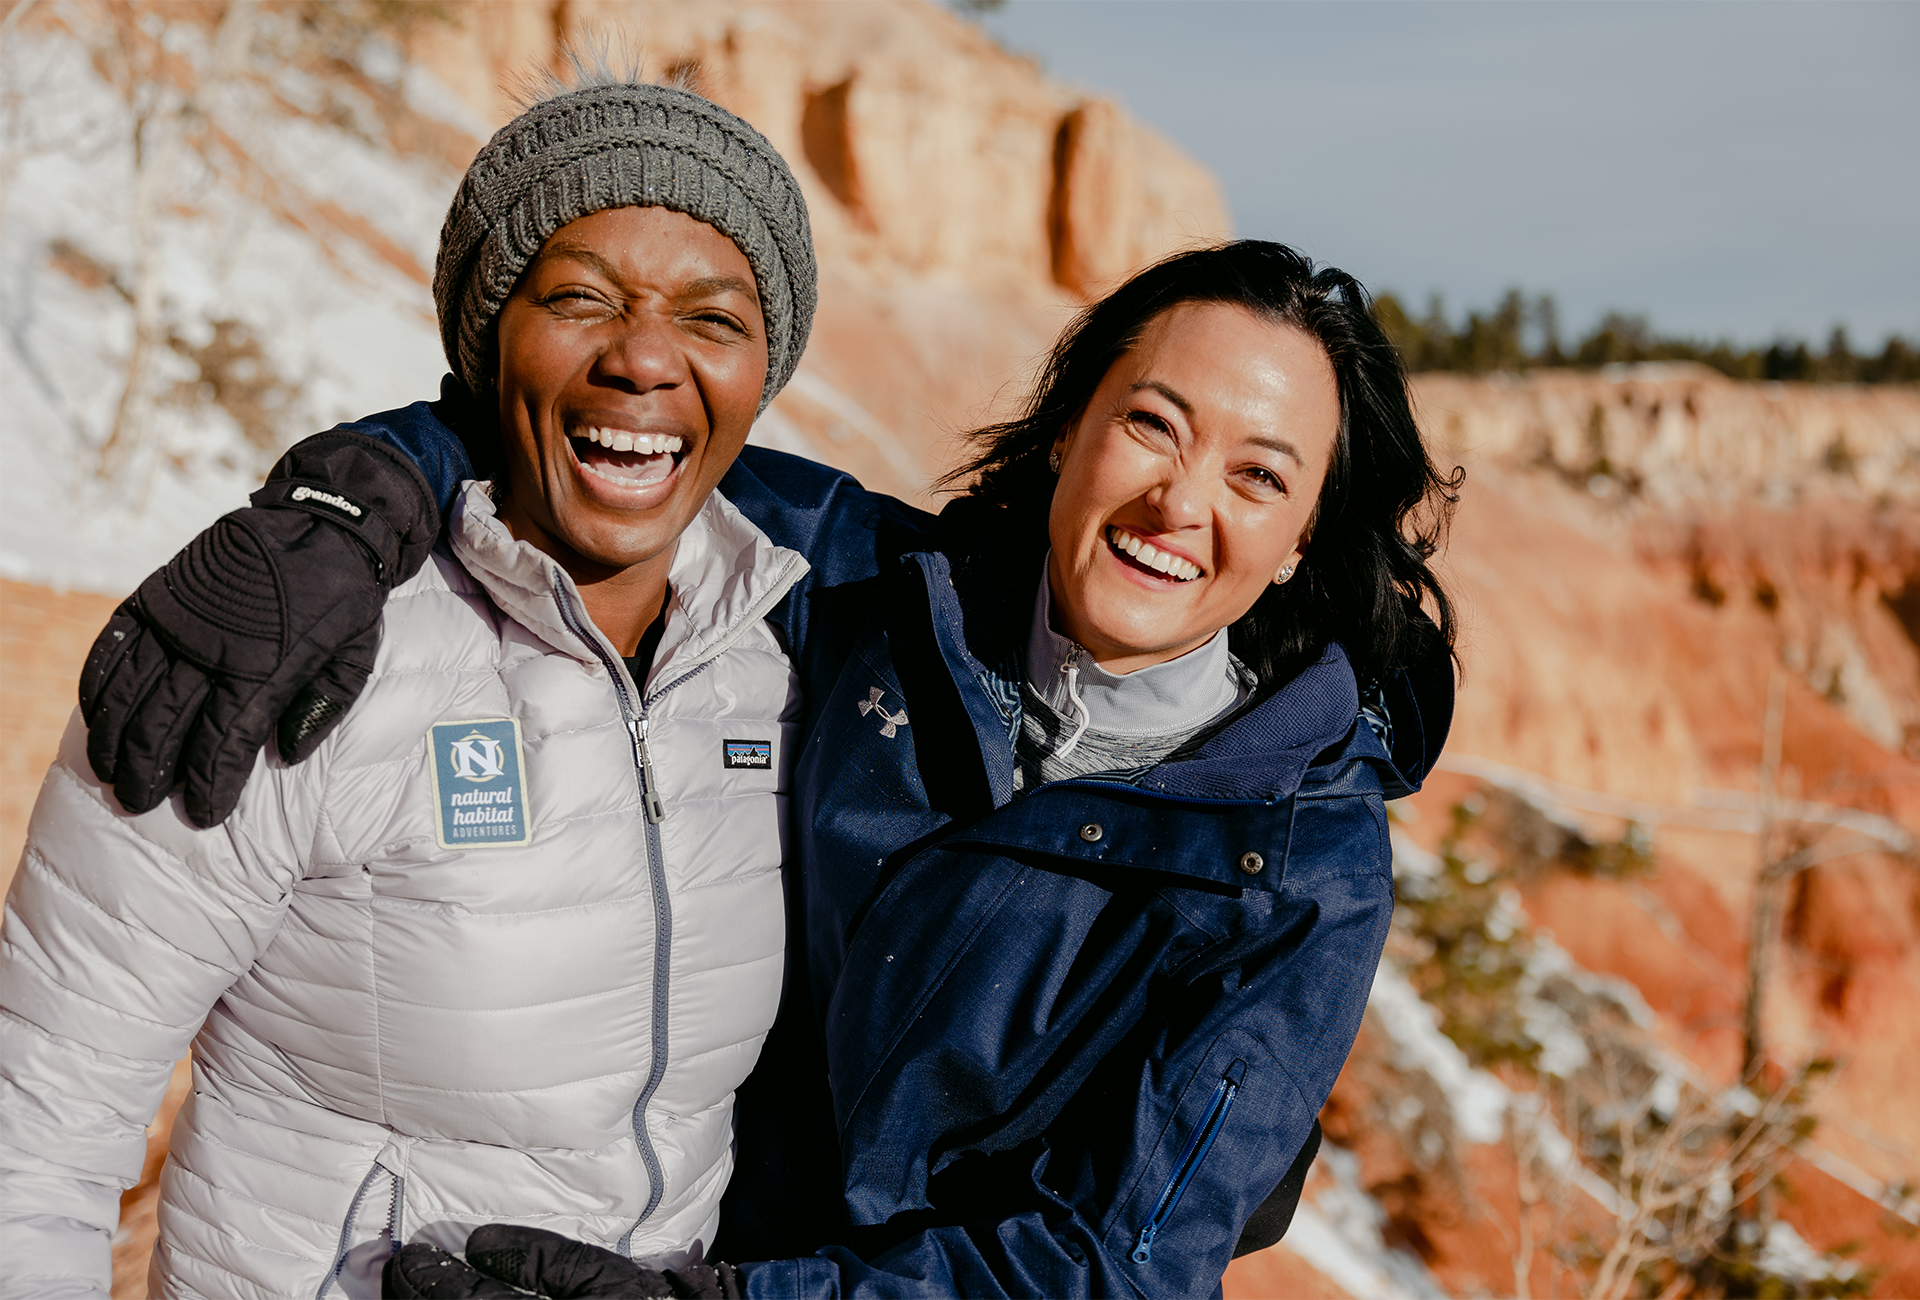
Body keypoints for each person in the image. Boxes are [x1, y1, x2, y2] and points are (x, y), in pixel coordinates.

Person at [64, 107, 1460, 1300]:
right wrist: (343, 501)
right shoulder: (877, 592)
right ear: (1073, 427)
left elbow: (1113, 1266)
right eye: (1154, 423)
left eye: (1260, 477)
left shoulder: (1300, 860)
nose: (1182, 502)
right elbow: (621, 438)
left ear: (1302, 544)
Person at [0, 76, 821, 1299]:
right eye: (581, 297)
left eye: (714, 317)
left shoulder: (772, 667)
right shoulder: (299, 643)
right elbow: (38, 1132)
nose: (645, 355)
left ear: (767, 365)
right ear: (490, 339)